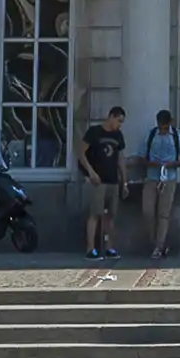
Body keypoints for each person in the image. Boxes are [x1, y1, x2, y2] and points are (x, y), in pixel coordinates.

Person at [135, 107, 180, 271]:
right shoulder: (150, 135)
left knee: (163, 213)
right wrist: (150, 163)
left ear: (170, 123)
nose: (162, 130)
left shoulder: (178, 137)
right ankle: (156, 241)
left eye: (165, 127)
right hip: (151, 177)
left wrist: (170, 164)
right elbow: (141, 156)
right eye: (160, 127)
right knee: (147, 211)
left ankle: (159, 247)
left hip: (169, 178)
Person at [77, 108, 128, 275]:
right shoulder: (95, 132)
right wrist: (91, 172)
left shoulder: (118, 136)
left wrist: (124, 181)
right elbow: (81, 152)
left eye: (121, 122)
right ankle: (90, 248)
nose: (119, 125)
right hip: (98, 180)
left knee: (110, 215)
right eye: (118, 121)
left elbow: (120, 158)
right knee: (95, 213)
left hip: (113, 180)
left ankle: (109, 247)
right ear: (111, 117)